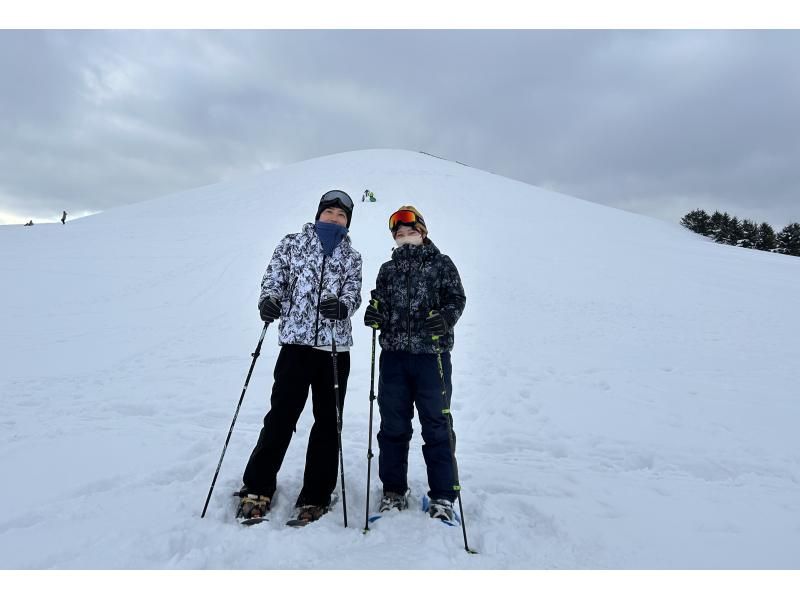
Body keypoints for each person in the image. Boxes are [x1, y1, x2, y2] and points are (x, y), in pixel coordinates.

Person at [239, 190, 362, 524]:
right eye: (330, 212)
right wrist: (269, 300)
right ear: (319, 214)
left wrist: (344, 306)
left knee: (327, 423)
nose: (335, 219)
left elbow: (354, 293)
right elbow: (273, 278)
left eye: (342, 216)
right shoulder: (292, 244)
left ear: (347, 222)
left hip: (334, 349)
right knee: (281, 415)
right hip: (296, 344)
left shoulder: (352, 256)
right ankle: (258, 486)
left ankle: (316, 494)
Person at [363, 205, 466, 523]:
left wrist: (446, 318)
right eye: (400, 235)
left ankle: (443, 498)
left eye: (411, 232)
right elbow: (379, 300)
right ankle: (393, 492)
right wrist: (375, 314)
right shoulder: (387, 270)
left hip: (431, 357)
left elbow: (456, 298)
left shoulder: (442, 264)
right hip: (394, 357)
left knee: (436, 425)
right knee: (392, 426)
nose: (406, 239)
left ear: (423, 232)